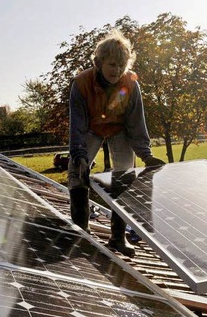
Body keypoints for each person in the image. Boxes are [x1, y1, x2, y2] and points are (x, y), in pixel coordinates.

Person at [68, 28, 165, 257]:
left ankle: (118, 237)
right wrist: (79, 155)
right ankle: (82, 232)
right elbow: (77, 125)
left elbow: (136, 123)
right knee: (76, 172)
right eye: (112, 64)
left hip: (120, 130)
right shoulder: (81, 84)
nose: (117, 70)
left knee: (124, 177)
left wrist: (146, 154)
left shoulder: (130, 84)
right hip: (91, 128)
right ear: (99, 62)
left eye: (121, 66)